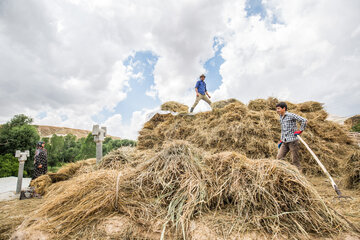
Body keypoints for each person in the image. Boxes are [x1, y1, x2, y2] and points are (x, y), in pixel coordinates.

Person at [276, 102, 307, 171]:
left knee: (295, 160)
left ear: (284, 108)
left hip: (293, 141)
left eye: (278, 108)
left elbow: (304, 120)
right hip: (285, 141)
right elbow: (283, 129)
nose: (277, 110)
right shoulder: (281, 117)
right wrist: (281, 140)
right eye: (277, 109)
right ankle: (283, 172)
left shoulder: (290, 115)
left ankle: (299, 174)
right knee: (279, 158)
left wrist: (300, 130)